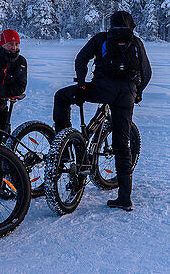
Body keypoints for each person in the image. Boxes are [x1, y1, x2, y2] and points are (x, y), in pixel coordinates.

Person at [53, 11, 151, 211]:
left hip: (100, 90)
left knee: (61, 97)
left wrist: (81, 84)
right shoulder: (137, 42)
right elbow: (147, 73)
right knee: (122, 144)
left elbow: (81, 59)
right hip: (126, 95)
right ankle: (125, 198)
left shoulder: (101, 38)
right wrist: (137, 92)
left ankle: (63, 146)